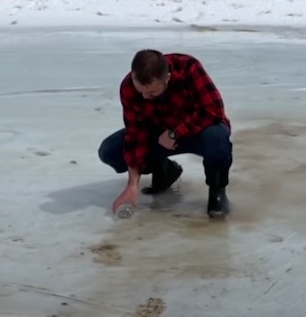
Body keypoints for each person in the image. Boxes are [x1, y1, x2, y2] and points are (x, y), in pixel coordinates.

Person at [98, 49, 233, 218]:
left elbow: (214, 110)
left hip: (197, 131)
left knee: (217, 137)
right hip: (159, 135)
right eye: (141, 92)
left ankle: (217, 193)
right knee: (109, 151)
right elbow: (135, 134)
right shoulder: (128, 87)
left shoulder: (188, 68)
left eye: (152, 93)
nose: (145, 97)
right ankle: (164, 170)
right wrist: (132, 186)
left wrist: (175, 133)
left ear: (167, 78)